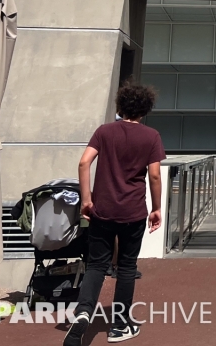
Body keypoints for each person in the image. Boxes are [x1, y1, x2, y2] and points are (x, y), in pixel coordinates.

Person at [64, 82, 165, 346]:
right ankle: (119, 325)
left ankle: (83, 312)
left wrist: (87, 200)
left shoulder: (104, 131)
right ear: (145, 110)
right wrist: (156, 207)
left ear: (120, 106)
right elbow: (154, 174)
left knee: (97, 265)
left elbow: (84, 162)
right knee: (127, 267)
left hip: (103, 210)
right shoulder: (151, 136)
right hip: (132, 211)